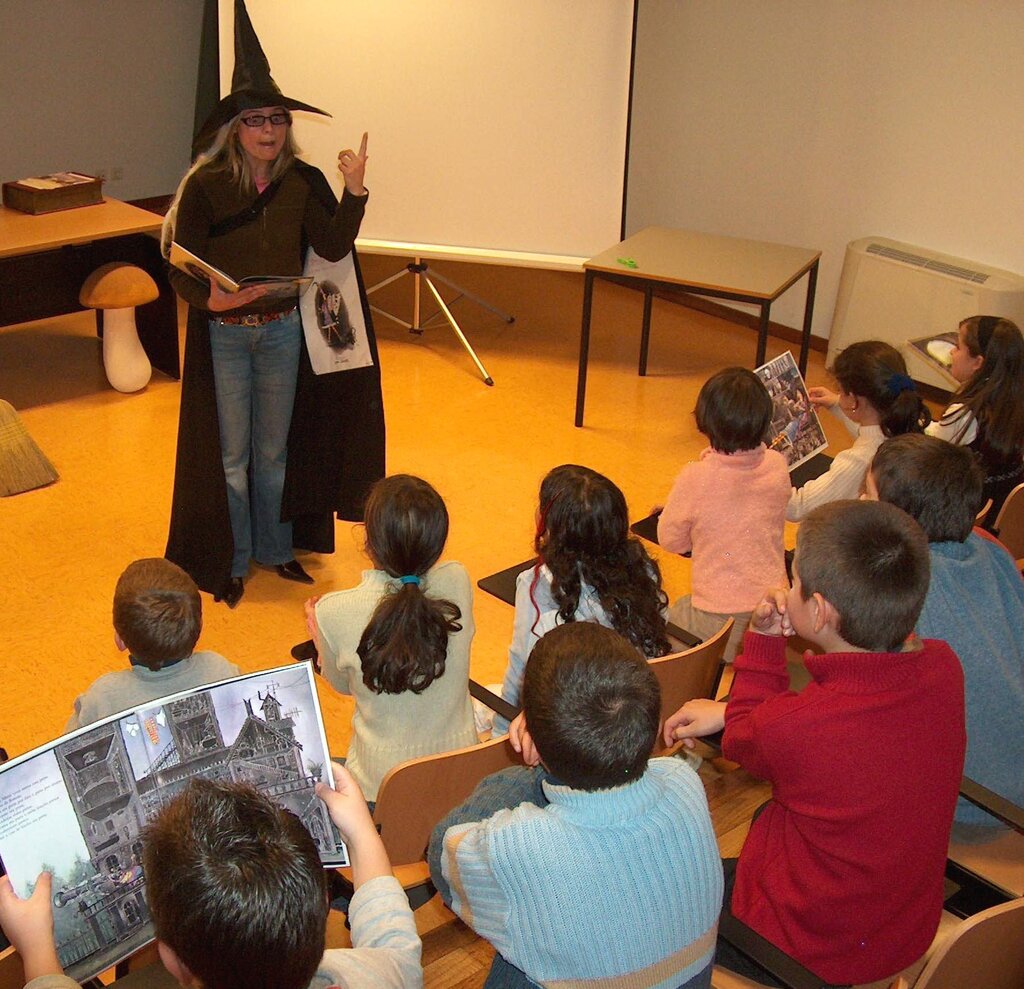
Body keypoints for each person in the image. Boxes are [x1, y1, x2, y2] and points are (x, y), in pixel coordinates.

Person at [665, 500, 965, 986]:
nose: (788, 590)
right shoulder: (944, 666)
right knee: (768, 816)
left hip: (807, 951)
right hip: (902, 929)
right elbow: (825, 726)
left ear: (820, 611)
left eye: (795, 581)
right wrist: (736, 712)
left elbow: (743, 737)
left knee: (658, 892)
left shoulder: (803, 726)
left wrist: (762, 641)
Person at [162, 5, 385, 609]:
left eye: (278, 120)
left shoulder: (303, 181)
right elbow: (178, 260)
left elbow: (334, 244)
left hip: (284, 331)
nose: (268, 131)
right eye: (256, 120)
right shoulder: (206, 187)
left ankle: (276, 549)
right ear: (235, 128)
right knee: (232, 455)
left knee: (274, 451)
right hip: (228, 335)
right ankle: (233, 560)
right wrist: (207, 297)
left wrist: (355, 191)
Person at [429, 622, 723, 989]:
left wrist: (536, 771)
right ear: (652, 722)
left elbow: (443, 851)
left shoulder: (522, 847)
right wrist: (554, 750)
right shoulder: (684, 782)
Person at [0, 770, 423, 989]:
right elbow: (394, 940)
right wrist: (362, 832)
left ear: (172, 959)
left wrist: (37, 952)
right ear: (323, 908)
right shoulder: (381, 975)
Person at [867, 433, 1024, 834]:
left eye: (868, 497)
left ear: (898, 518)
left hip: (974, 802)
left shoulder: (900, 588)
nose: (861, 505)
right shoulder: (989, 550)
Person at [307, 475, 477, 803]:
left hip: (379, 790)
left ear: (368, 540)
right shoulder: (458, 581)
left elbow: (343, 686)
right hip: (461, 780)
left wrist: (319, 639)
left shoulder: (334, 611)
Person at [494, 464, 670, 734]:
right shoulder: (642, 569)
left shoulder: (537, 585)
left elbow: (522, 670)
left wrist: (501, 733)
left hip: (571, 730)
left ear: (549, 525)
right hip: (630, 716)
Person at [658, 367, 790, 662]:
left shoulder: (695, 477)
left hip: (718, 620)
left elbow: (671, 541)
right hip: (774, 614)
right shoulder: (778, 465)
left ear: (705, 421)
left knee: (662, 620)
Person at [65, 558, 239, 731]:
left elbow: (66, 748)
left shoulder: (103, 696)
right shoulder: (220, 669)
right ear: (199, 627)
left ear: (120, 639)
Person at [787, 340, 930, 521]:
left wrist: (762, 474)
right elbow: (871, 432)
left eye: (840, 391)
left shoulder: (859, 460)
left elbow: (799, 507)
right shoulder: (904, 423)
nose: (838, 394)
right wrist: (837, 403)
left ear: (854, 400)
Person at [925, 315, 1024, 528]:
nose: (952, 352)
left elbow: (930, 465)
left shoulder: (964, 413)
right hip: (1002, 519)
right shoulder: (1013, 403)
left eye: (958, 347)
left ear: (978, 362)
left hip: (963, 517)